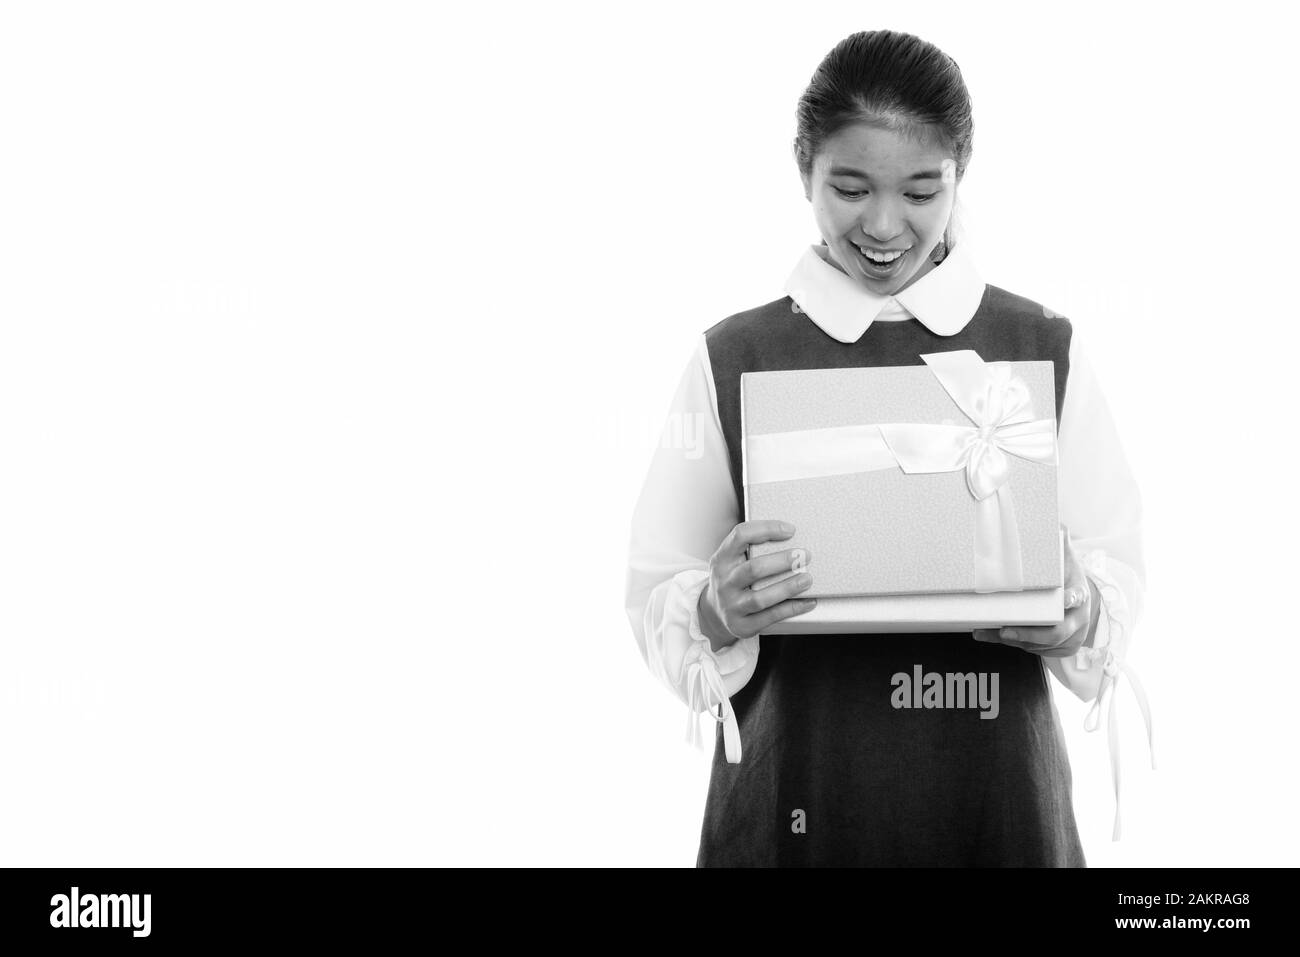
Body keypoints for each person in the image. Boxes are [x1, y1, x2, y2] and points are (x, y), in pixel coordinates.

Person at [623, 29, 1151, 866]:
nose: (882, 224)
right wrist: (714, 607)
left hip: (995, 799)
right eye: (850, 186)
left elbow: (1112, 573)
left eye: (919, 191)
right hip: (794, 796)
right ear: (804, 173)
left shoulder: (1040, 342)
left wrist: (1079, 604)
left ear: (959, 178)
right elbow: (658, 584)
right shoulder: (734, 356)